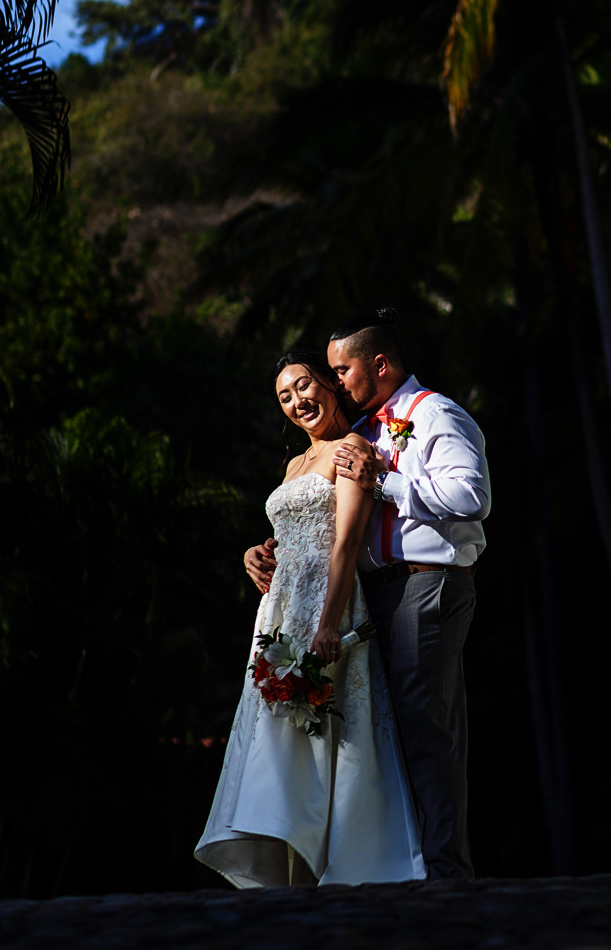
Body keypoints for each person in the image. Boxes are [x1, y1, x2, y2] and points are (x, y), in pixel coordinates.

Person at [244, 308, 490, 880]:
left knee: (429, 728)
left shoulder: (435, 413)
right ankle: (401, 865)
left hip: (425, 584)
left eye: (340, 369)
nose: (335, 382)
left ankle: (445, 872)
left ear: (377, 364)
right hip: (374, 595)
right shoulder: (371, 426)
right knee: (388, 732)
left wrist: (384, 479)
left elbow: (470, 497)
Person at [196, 351, 426, 887]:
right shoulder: (295, 464)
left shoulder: (353, 449)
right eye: (285, 397)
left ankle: (336, 869)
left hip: (328, 607)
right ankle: (289, 873)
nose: (299, 401)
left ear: (328, 383)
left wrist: (327, 624)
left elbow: (344, 541)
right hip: (279, 611)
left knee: (328, 729)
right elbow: (292, 532)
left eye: (305, 386)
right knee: (281, 741)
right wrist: (257, 553)